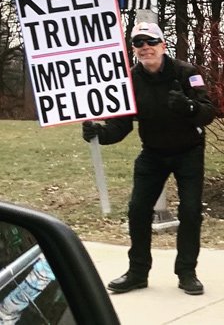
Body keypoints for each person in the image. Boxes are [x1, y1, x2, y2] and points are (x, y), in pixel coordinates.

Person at [82, 22, 216, 295]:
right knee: (137, 210)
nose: (145, 48)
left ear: (162, 45)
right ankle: (137, 272)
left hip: (188, 152)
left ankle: (187, 273)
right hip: (153, 153)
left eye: (150, 42)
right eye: (139, 44)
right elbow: (120, 127)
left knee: (190, 211)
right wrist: (98, 133)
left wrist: (188, 107)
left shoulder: (187, 72)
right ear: (134, 50)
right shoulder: (129, 80)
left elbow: (209, 112)